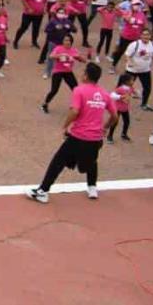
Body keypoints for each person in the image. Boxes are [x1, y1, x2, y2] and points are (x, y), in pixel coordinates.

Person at [28, 63, 118, 202]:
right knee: (92, 160)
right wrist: (105, 128)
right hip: (96, 139)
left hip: (78, 136)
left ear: (86, 75)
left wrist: (65, 126)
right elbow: (115, 116)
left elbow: (74, 111)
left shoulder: (79, 90)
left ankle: (43, 191)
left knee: (58, 161)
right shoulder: (105, 94)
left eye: (83, 72)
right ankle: (92, 187)